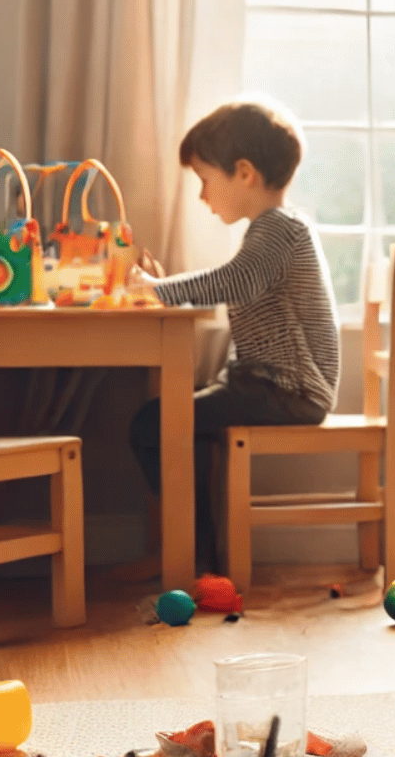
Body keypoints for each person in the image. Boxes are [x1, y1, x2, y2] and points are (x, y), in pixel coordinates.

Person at [120, 97, 338, 577]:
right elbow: (236, 282)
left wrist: (158, 291)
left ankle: (193, 556)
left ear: (244, 172)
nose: (201, 195)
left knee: (155, 424)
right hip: (265, 384)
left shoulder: (280, 230)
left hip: (291, 391)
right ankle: (197, 554)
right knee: (171, 422)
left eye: (204, 179)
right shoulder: (274, 230)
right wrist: (163, 291)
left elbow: (234, 281)